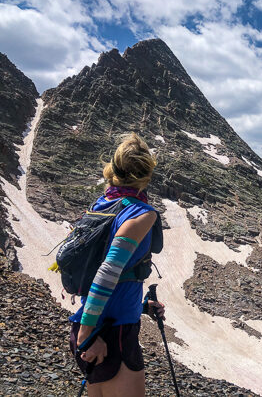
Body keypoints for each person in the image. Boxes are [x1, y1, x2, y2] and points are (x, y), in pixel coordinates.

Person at [68, 132, 166, 397]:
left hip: (91, 326)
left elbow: (103, 271)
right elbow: (107, 273)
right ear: (146, 175)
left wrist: (142, 306)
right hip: (112, 335)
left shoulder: (101, 205)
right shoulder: (141, 214)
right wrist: (87, 336)